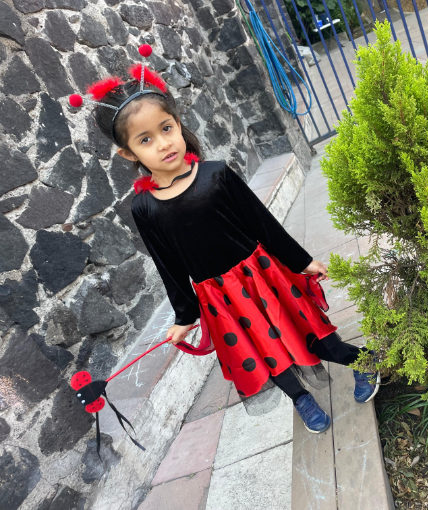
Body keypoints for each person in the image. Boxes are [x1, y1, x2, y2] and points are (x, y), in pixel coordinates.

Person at [77, 46, 379, 434]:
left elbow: (264, 225)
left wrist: (301, 261)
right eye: (146, 140)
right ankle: (301, 400)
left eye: (166, 129)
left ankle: (363, 361)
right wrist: (184, 318)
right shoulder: (145, 208)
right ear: (127, 153)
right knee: (263, 353)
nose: (164, 143)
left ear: (178, 123)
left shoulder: (216, 175)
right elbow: (169, 266)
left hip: (263, 275)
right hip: (220, 297)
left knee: (309, 335)